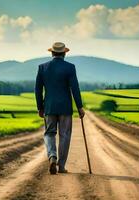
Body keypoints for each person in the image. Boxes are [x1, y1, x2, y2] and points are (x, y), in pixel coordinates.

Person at [35, 42, 85, 175]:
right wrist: (80, 107)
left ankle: (52, 156)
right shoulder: (70, 67)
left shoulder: (42, 67)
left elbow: (38, 90)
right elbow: (75, 88)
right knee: (65, 135)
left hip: (49, 107)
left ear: (52, 53)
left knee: (49, 133)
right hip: (65, 107)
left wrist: (40, 107)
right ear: (64, 53)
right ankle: (61, 166)